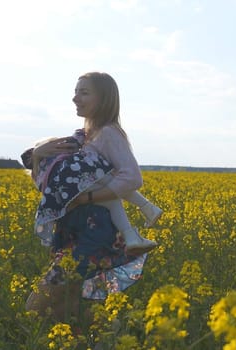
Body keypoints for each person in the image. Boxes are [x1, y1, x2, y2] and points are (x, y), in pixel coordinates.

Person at [24, 72, 152, 323]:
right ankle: (111, 335)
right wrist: (38, 152)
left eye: (84, 92)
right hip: (74, 234)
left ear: (103, 99)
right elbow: (54, 179)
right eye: (75, 92)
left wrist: (87, 198)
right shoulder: (84, 136)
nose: (75, 98)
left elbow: (133, 178)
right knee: (67, 308)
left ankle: (114, 332)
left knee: (37, 307)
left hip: (91, 239)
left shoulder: (108, 133)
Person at [21, 127, 162, 254]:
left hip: (73, 227)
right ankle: (145, 211)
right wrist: (84, 132)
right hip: (82, 227)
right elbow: (74, 141)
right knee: (110, 186)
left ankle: (134, 231)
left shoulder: (41, 175)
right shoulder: (60, 164)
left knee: (111, 194)